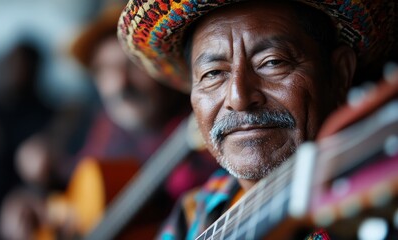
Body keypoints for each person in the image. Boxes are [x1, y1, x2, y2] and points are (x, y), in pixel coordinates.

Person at [117, 0, 398, 239]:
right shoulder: (194, 214)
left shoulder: (374, 190)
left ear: (339, 74)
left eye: (272, 62)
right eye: (213, 73)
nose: (238, 97)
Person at [0, 5, 217, 240]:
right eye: (105, 70)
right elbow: (71, 196)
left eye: (133, 65)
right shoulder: (101, 124)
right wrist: (31, 199)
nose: (119, 84)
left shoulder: (209, 126)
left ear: (162, 65)